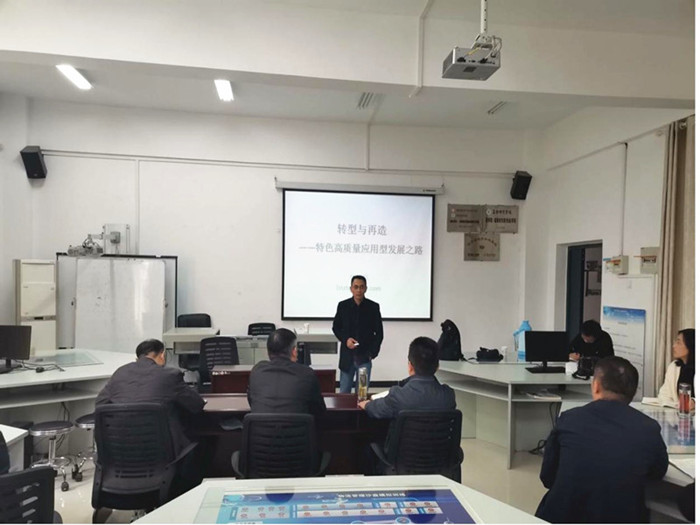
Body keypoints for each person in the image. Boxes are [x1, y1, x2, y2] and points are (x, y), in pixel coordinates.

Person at [535, 356, 668, 523]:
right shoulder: (649, 428)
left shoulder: (569, 419)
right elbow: (658, 473)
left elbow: (547, 477)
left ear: (596, 386)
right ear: (633, 392)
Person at [95, 339, 206, 494]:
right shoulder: (170, 375)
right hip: (162, 457)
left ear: (137, 358)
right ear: (162, 356)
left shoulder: (120, 373)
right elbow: (197, 405)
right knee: (202, 444)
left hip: (119, 455)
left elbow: (100, 405)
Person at [247, 328, 326, 419]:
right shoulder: (307, 374)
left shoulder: (257, 372)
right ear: (294, 351)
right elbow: (319, 411)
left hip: (260, 427)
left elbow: (252, 402)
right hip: (297, 428)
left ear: (267, 352)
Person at [332, 275, 383, 393]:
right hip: (347, 358)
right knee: (344, 393)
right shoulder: (343, 306)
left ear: (366, 288)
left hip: (364, 358)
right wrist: (346, 340)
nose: (359, 290)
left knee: (362, 394)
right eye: (356, 287)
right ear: (351, 289)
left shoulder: (373, 307)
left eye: (361, 287)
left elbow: (379, 333)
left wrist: (372, 353)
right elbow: (336, 327)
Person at [658, 328, 695, 405]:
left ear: (690, 345)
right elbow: (664, 394)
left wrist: (694, 402)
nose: (674, 346)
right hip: (676, 411)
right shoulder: (673, 367)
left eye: (678, 343)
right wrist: (672, 405)